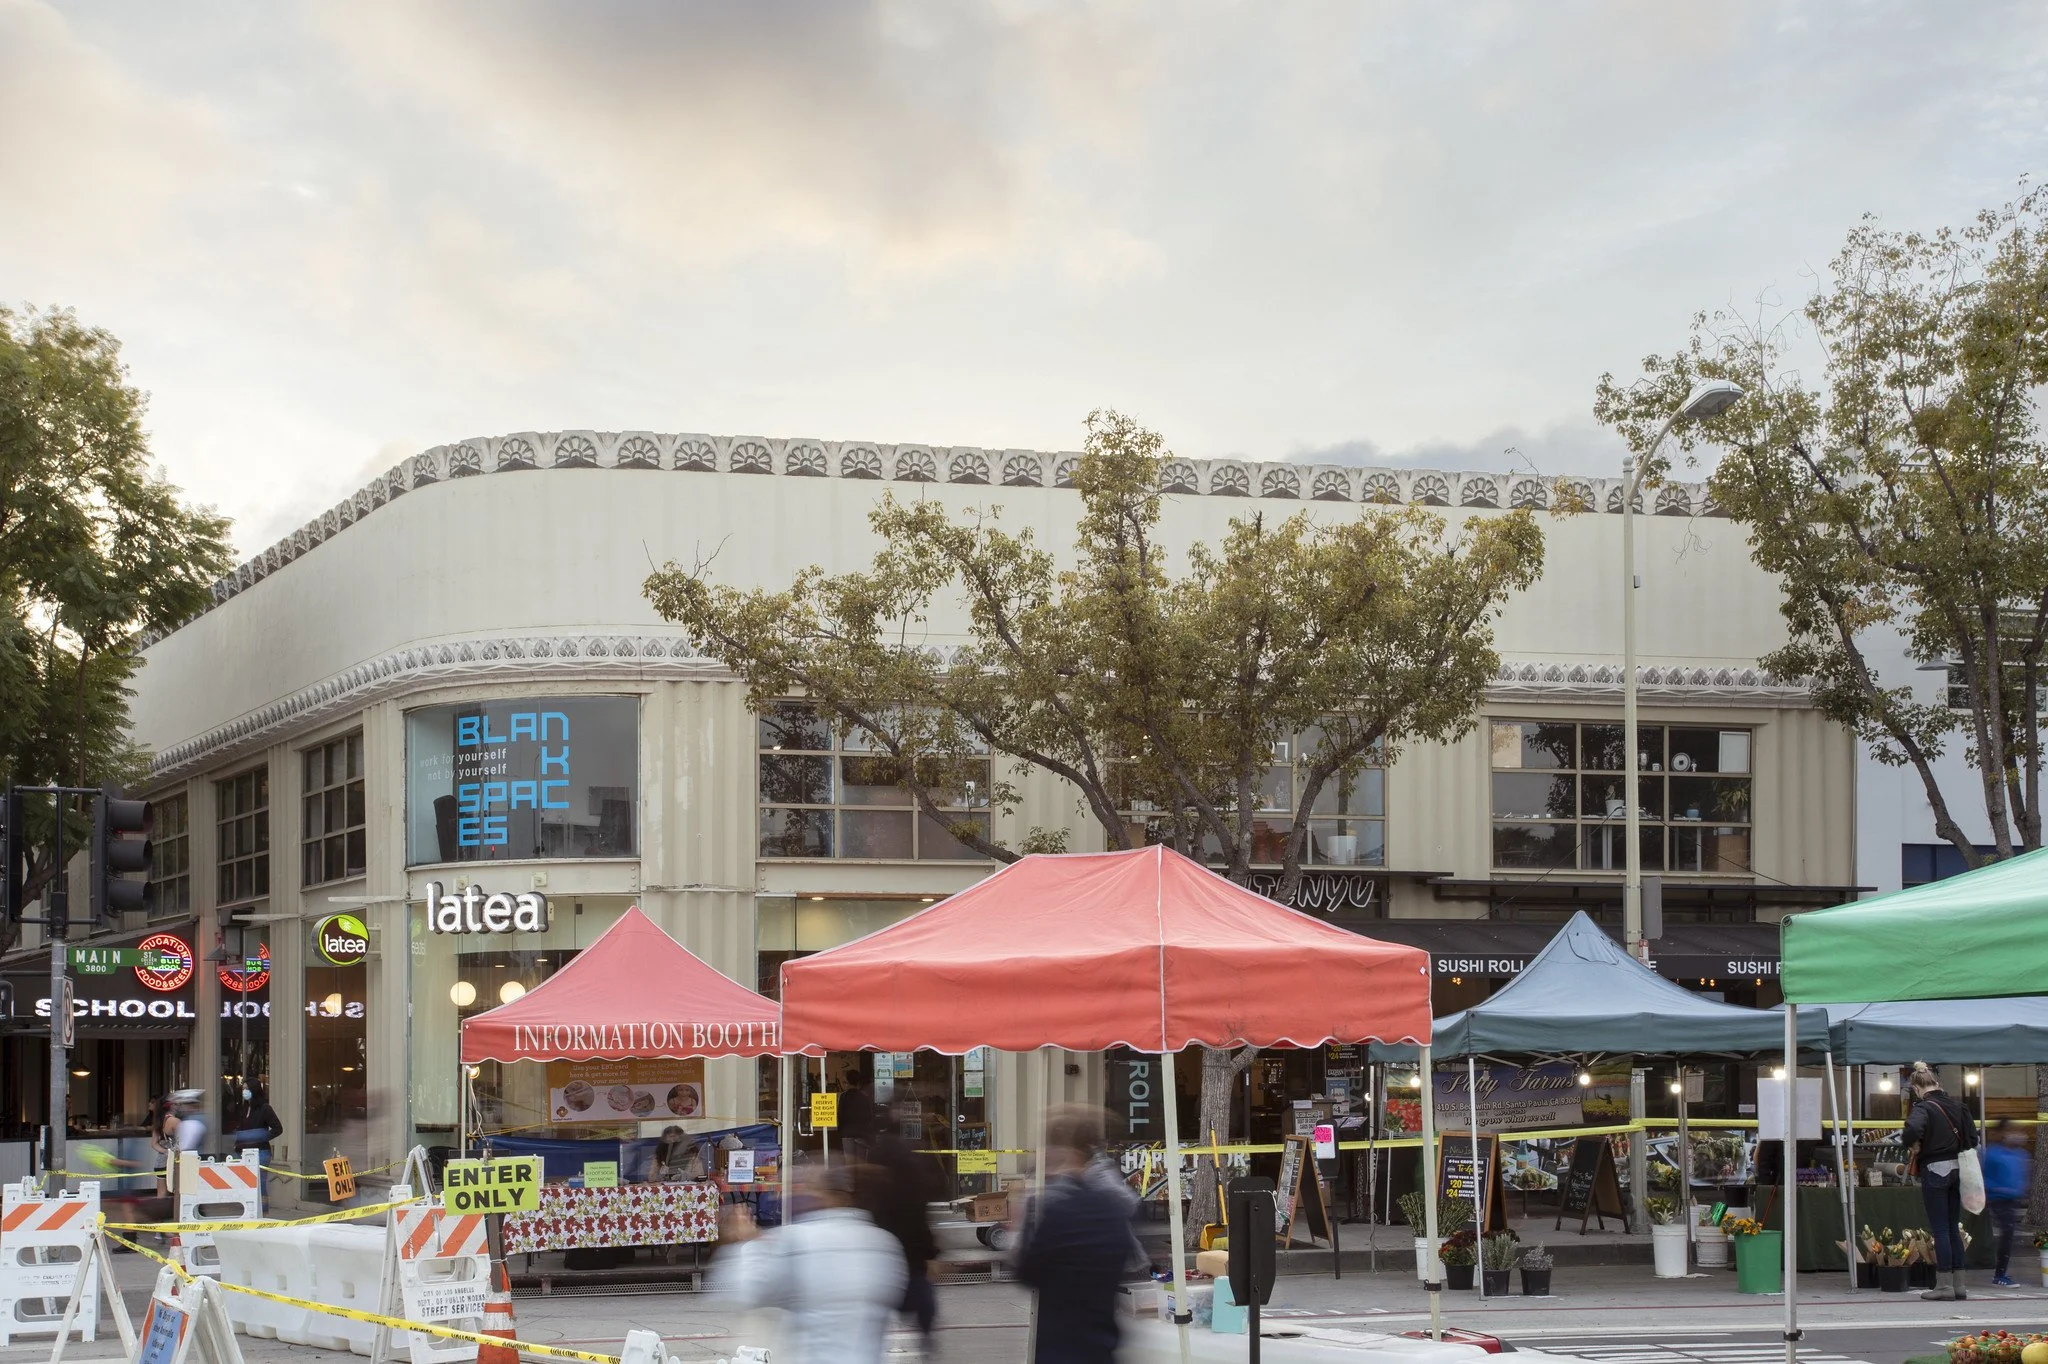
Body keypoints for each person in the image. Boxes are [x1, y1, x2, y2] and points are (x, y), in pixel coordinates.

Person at [720, 1163, 906, 1364]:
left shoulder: (804, 1240)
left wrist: (750, 1242)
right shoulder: (886, 1246)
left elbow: (752, 1291)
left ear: (831, 1195)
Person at [1014, 1106, 1140, 1364]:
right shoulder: (1112, 1207)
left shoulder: (1050, 1207)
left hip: (1059, 1345)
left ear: (1064, 1152)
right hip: (1103, 1343)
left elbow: (1027, 1271)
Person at [862, 1100, 942, 1350]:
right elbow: (921, 1204)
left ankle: (873, 1339)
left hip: (882, 1237)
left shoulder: (874, 1157)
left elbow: (867, 1199)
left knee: (881, 1296)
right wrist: (930, 1250)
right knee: (918, 1286)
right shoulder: (911, 1156)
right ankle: (926, 1331)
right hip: (910, 1238)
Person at [1903, 1062, 1979, 1301]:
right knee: (1953, 1228)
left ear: (1917, 1087)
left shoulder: (1923, 1107)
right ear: (1937, 1082)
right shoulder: (1959, 1106)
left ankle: (1944, 1285)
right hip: (1959, 1169)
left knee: (1941, 1229)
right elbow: (1973, 1139)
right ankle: (1960, 1285)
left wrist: (1914, 1144)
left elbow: (1911, 1130)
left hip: (1935, 1169)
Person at [1982, 1118, 2032, 1288]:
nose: (2014, 1134)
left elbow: (2021, 1174)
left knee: (2009, 1236)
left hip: (2012, 1199)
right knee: (2008, 1234)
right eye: (2009, 1131)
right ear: (2001, 1133)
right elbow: (1986, 1178)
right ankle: (2000, 1274)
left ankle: (2002, 1272)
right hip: (1999, 1199)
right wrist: (1998, 1190)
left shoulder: (2019, 1153)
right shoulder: (1993, 1153)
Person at [230, 1084, 284, 1206]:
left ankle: (262, 1209)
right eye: (243, 1088)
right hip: (242, 1151)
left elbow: (278, 1128)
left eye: (247, 1088)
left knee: (260, 1182)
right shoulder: (244, 1108)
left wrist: (261, 1137)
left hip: (261, 1152)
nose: (244, 1091)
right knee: (244, 1182)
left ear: (254, 1090)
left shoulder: (265, 1108)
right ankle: (249, 1208)